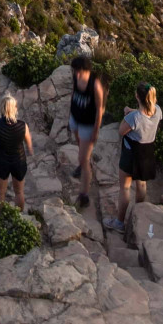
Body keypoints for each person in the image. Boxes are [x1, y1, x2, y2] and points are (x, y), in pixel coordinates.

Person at [112, 82, 162, 228]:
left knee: (125, 188)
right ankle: (138, 215)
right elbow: (146, 113)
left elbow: (121, 131)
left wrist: (127, 114)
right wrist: (133, 110)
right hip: (147, 153)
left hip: (131, 155)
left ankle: (119, 222)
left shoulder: (133, 117)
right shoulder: (158, 110)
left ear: (137, 96)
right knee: (141, 183)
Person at [68, 55, 106, 211]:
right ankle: (84, 163)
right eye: (75, 71)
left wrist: (96, 130)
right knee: (80, 147)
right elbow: (73, 93)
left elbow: (100, 109)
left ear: (87, 70)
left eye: (80, 71)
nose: (77, 74)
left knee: (83, 159)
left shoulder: (95, 85)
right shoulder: (76, 78)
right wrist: (69, 115)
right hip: (76, 118)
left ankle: (84, 195)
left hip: (88, 124)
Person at [0, 93, 33, 209]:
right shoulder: (23, 125)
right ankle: (20, 217)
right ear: (14, 109)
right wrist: (30, 153)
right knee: (19, 192)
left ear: (2, 108)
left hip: (2, 162)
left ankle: (0, 219)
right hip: (19, 161)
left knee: (1, 193)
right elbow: (29, 144)